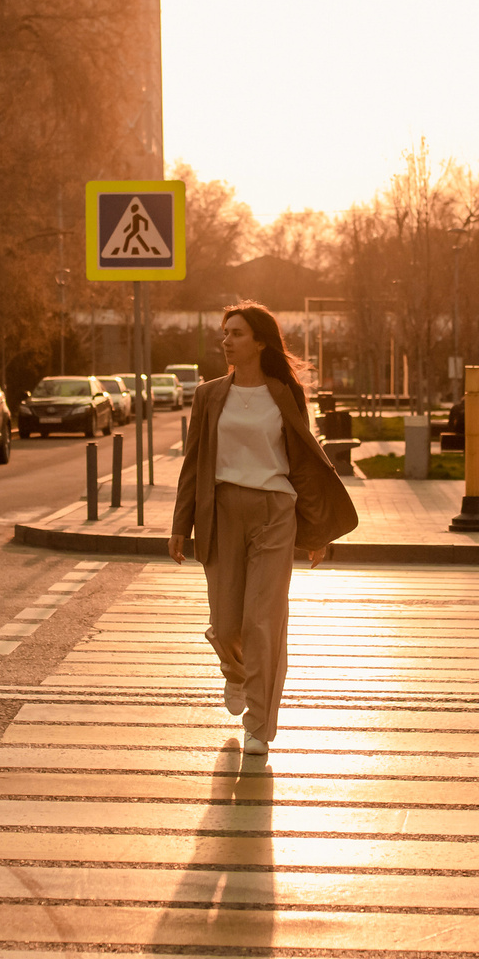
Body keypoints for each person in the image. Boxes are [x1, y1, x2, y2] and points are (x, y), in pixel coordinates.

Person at [168, 303, 360, 755]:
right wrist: (181, 523)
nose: (226, 341)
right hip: (222, 511)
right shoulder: (209, 395)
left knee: (263, 620)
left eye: (236, 333)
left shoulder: (285, 394)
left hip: (276, 512)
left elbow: (305, 465)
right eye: (225, 333)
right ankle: (235, 672)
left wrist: (316, 533)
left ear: (259, 342)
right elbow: (194, 464)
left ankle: (259, 724)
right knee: (226, 622)